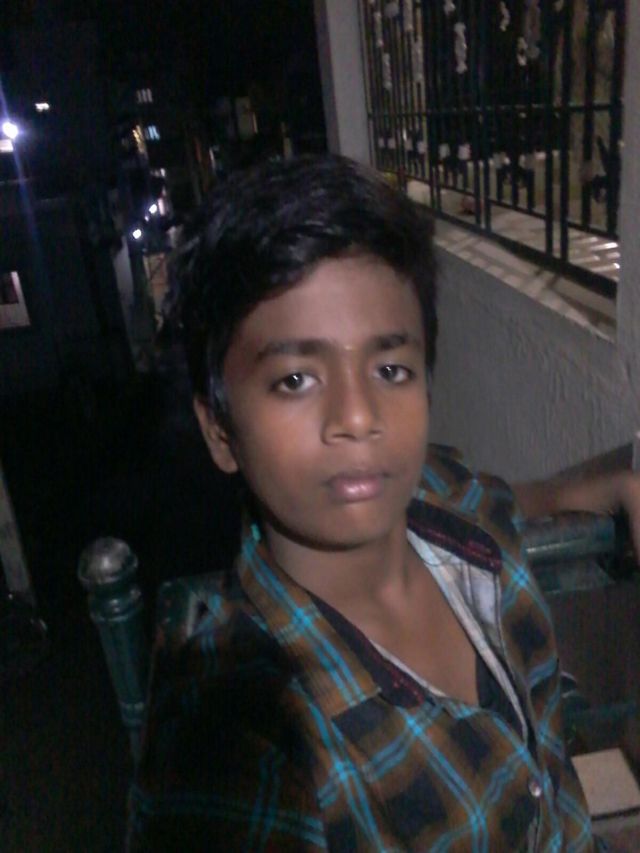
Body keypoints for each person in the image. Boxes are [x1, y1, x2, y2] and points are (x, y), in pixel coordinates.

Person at [128, 154, 635, 850]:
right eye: (296, 379)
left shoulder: (442, 503)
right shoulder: (246, 738)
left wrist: (588, 490)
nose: (358, 415)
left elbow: (486, 496)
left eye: (390, 369)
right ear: (220, 430)